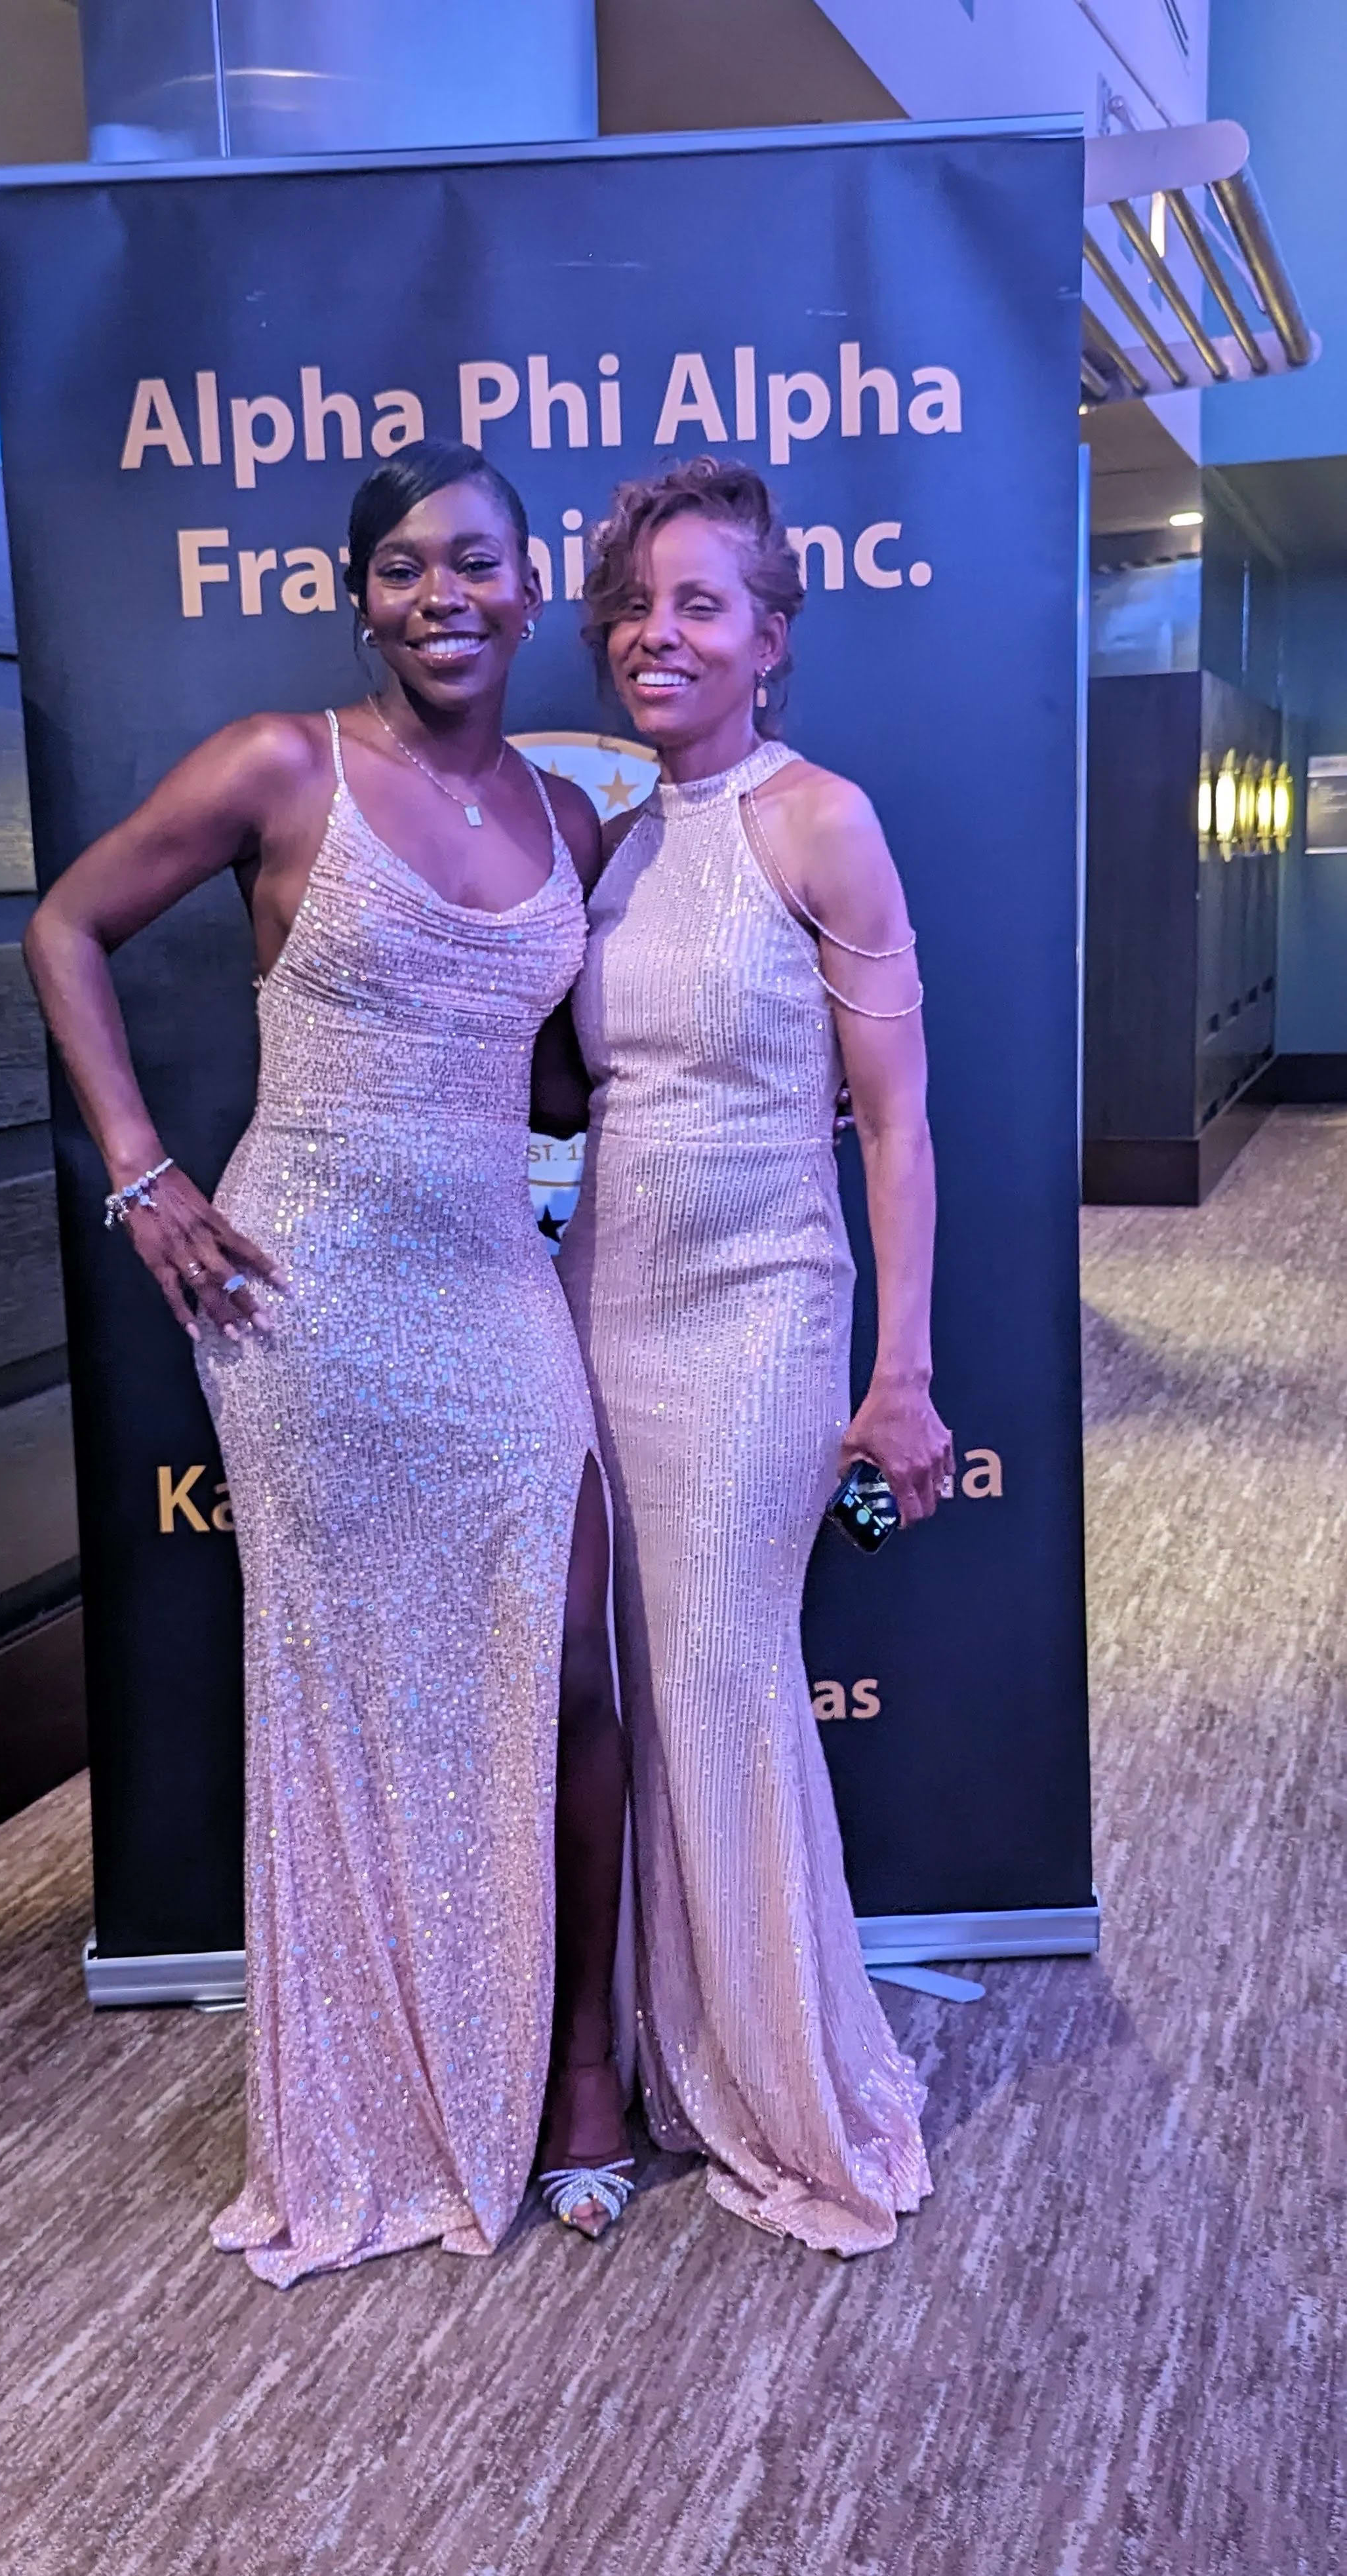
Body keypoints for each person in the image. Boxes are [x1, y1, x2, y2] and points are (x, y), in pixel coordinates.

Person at [24, 439, 633, 2279]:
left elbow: (555, 1079)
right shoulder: (281, 764)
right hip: (306, 1303)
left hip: (493, 1291)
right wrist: (143, 1172)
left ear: (532, 590)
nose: (445, 596)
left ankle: (579, 2075)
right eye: (405, 568)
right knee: (351, 1699)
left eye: (478, 562)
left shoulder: (571, 818)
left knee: (571, 1671)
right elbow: (65, 926)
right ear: (360, 600)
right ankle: (374, 2095)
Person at [553, 457, 950, 2253]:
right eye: (635, 605)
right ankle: (665, 2051)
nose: (660, 633)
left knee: (719, 1676)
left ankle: (789, 2085)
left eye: (701, 603)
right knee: (632, 1690)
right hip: (602, 1311)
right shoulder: (615, 839)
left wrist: (901, 1373)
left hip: (765, 1310)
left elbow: (898, 1125)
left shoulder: (822, 821)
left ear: (771, 637)